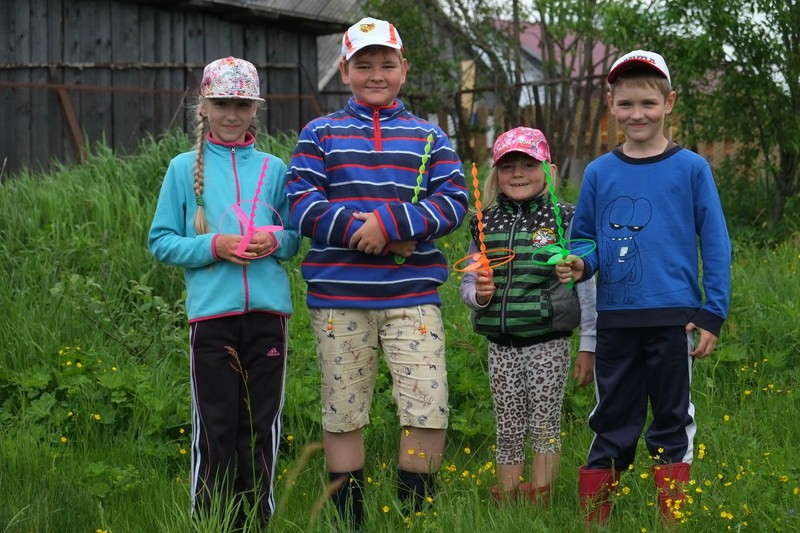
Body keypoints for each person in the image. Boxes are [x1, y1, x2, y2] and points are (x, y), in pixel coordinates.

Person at [286, 17, 468, 530]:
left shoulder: (431, 137)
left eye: (387, 63)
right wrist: (359, 232)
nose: (376, 73)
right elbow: (300, 203)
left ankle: (416, 516)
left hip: (413, 297)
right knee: (343, 411)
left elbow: (454, 201)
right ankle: (351, 520)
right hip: (339, 300)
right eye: (363, 64)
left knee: (427, 407)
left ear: (404, 68)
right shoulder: (319, 134)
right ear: (345, 70)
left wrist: (390, 223)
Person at [555, 50, 731, 527]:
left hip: (675, 318)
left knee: (673, 419)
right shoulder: (598, 173)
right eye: (626, 103)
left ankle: (670, 517)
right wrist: (579, 263)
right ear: (610, 104)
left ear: (669, 102)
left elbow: (714, 242)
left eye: (648, 103)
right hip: (617, 320)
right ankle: (596, 516)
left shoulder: (692, 168)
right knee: (612, 418)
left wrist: (712, 311)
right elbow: (586, 242)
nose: (638, 114)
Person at [148, 56, 300, 526]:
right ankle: (211, 519)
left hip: (268, 317)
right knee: (215, 427)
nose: (231, 115)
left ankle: (257, 519)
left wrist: (272, 239)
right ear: (203, 107)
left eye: (241, 105)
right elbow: (162, 241)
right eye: (221, 104)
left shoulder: (275, 168)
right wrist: (214, 245)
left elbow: (294, 237)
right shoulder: (181, 169)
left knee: (261, 426)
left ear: (256, 108)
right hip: (211, 319)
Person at [459, 127, 597, 506]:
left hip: (548, 342)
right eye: (508, 167)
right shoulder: (483, 222)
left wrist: (589, 344)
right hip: (500, 346)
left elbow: (586, 287)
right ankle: (506, 494)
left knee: (544, 424)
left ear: (548, 170)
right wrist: (479, 297)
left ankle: (541, 494)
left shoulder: (566, 218)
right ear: (495, 174)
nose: (517, 173)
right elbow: (469, 284)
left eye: (527, 164)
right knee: (507, 425)